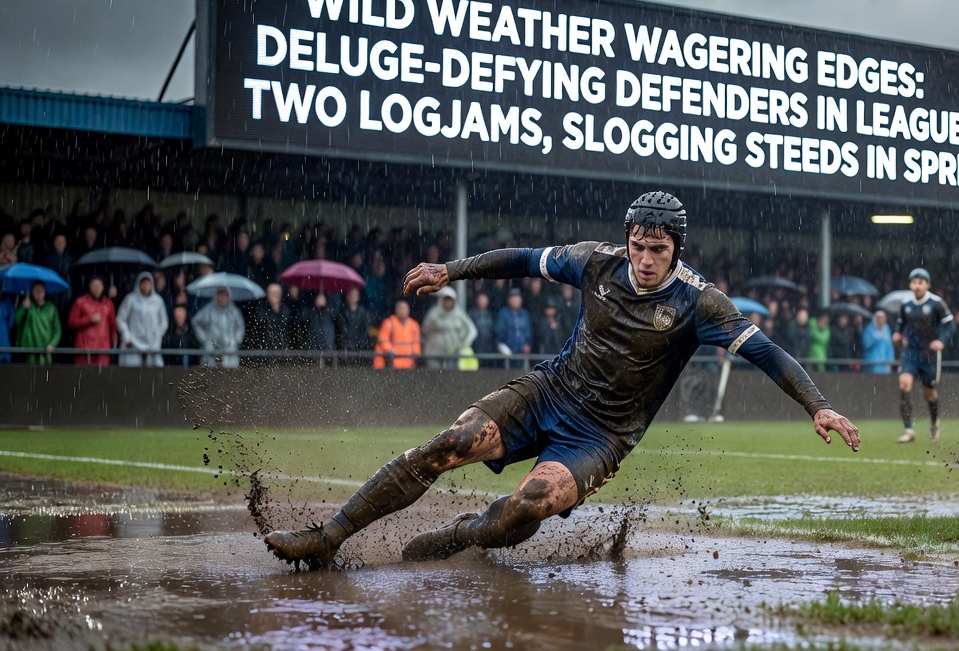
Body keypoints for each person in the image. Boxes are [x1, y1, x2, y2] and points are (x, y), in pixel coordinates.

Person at [263, 191, 860, 570]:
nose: (645, 258)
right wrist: (452, 270)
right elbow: (524, 258)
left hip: (602, 436)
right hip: (549, 391)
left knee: (528, 505)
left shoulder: (700, 302)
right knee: (452, 441)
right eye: (638, 245)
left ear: (677, 248)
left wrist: (818, 405)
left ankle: (463, 534)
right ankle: (328, 536)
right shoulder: (596, 260)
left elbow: (768, 353)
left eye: (657, 249)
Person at [890, 268, 956, 442]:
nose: (917, 286)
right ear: (910, 285)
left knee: (929, 393)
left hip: (929, 354)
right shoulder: (906, 303)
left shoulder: (936, 303)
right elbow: (901, 321)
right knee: (904, 385)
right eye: (914, 282)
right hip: (911, 352)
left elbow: (950, 325)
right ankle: (909, 431)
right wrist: (897, 333)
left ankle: (934, 423)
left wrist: (941, 340)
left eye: (921, 282)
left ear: (928, 284)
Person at [116, 271, 168, 367]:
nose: (145, 286)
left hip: (152, 344)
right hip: (133, 342)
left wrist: (158, 335)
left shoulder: (158, 301)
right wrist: (126, 335)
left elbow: (164, 321)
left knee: (153, 371)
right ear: (138, 284)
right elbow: (121, 319)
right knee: (132, 370)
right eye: (143, 283)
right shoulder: (130, 299)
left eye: (148, 284)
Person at [421, 287, 476, 369]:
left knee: (450, 375)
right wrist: (437, 325)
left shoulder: (458, 314)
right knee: (434, 375)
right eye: (445, 300)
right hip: (433, 353)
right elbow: (425, 329)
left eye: (450, 300)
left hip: (452, 354)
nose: (448, 303)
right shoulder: (434, 313)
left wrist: (463, 344)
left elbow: (472, 330)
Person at [69, 277, 117, 366]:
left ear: (103, 287)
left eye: (99, 285)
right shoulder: (80, 302)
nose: (97, 288)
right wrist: (89, 320)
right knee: (84, 373)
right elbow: (71, 323)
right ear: (89, 287)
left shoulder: (108, 303)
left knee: (102, 373)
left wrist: (113, 346)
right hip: (84, 349)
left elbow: (113, 326)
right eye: (94, 285)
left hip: (103, 349)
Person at [193, 286, 245, 368]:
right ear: (216, 296)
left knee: (231, 373)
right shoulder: (208, 310)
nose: (222, 298)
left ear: (228, 296)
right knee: (210, 372)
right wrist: (204, 338)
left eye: (225, 295)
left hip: (229, 350)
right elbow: (196, 322)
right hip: (212, 348)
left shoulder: (234, 312)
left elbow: (241, 327)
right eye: (220, 295)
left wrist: (236, 340)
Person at [15, 281, 61, 365]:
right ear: (32, 292)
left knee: (46, 372)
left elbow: (58, 330)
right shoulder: (28, 306)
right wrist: (23, 308)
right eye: (36, 290)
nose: (39, 292)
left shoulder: (51, 308)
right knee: (30, 372)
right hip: (30, 351)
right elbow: (17, 321)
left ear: (45, 291)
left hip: (46, 350)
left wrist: (52, 344)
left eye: (41, 290)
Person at [374, 298, 422, 369]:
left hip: (409, 363)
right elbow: (382, 340)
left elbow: (416, 343)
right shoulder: (389, 323)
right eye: (400, 308)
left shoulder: (414, 325)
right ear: (396, 310)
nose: (402, 311)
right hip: (392, 362)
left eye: (404, 308)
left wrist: (416, 352)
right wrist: (391, 350)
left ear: (408, 309)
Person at [495, 288, 533, 368]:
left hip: (522, 352)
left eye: (518, 299)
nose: (517, 301)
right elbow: (500, 331)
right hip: (508, 349)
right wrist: (503, 345)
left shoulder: (525, 314)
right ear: (509, 300)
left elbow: (528, 332)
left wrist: (527, 344)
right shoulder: (503, 313)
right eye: (514, 299)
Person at [334, 286, 375, 358]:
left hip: (359, 350)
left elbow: (365, 331)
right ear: (346, 296)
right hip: (344, 350)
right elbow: (340, 331)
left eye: (354, 295)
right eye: (350, 295)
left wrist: (360, 345)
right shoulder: (341, 312)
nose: (352, 297)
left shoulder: (363, 313)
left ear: (358, 297)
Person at [861, 309, 895, 374]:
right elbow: (865, 345)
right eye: (880, 318)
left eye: (883, 318)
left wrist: (890, 361)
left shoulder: (886, 328)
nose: (882, 320)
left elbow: (889, 346)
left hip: (884, 363)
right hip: (872, 363)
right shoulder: (869, 329)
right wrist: (875, 337)